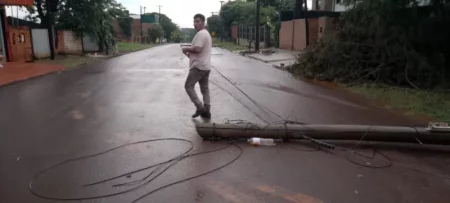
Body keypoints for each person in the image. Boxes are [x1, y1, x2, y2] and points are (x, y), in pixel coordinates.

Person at [182, 14, 212, 119]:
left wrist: (186, 48)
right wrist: (188, 53)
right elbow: (198, 52)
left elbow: (197, 49)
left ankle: (200, 107)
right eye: (194, 21)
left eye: (197, 21)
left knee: (188, 86)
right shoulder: (206, 34)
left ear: (203, 23)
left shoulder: (201, 34)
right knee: (205, 89)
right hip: (205, 66)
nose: (195, 24)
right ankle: (207, 110)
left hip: (199, 67)